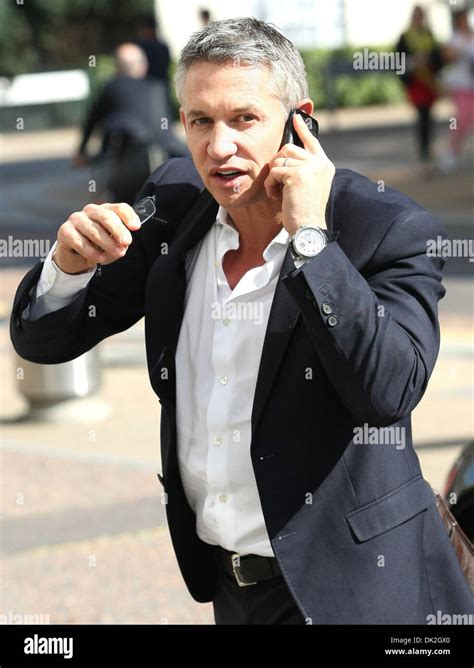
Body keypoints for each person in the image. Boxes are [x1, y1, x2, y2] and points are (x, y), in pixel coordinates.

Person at [11, 18, 473, 624]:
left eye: (243, 119)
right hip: (232, 590)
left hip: (361, 594)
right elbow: (46, 340)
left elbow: (387, 391)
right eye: (200, 120)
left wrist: (310, 241)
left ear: (298, 121)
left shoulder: (382, 227)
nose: (218, 145)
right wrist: (67, 269)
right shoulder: (175, 208)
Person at [74, 42, 188, 204]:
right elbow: (166, 128)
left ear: (118, 68)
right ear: (144, 66)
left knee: (118, 205)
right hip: (159, 154)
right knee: (158, 202)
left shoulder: (111, 87)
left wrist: (81, 151)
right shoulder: (157, 88)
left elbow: (92, 121)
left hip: (125, 153)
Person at [396, 5, 443, 168]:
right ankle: (424, 148)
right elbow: (398, 61)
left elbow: (438, 57)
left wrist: (428, 59)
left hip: (429, 83)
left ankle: (427, 146)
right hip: (416, 83)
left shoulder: (429, 34)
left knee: (428, 115)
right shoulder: (405, 37)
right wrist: (413, 61)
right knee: (422, 114)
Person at [439, 8, 474, 172]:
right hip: (461, 85)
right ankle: (450, 152)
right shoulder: (455, 39)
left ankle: (453, 152)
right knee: (462, 120)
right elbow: (447, 57)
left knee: (467, 120)